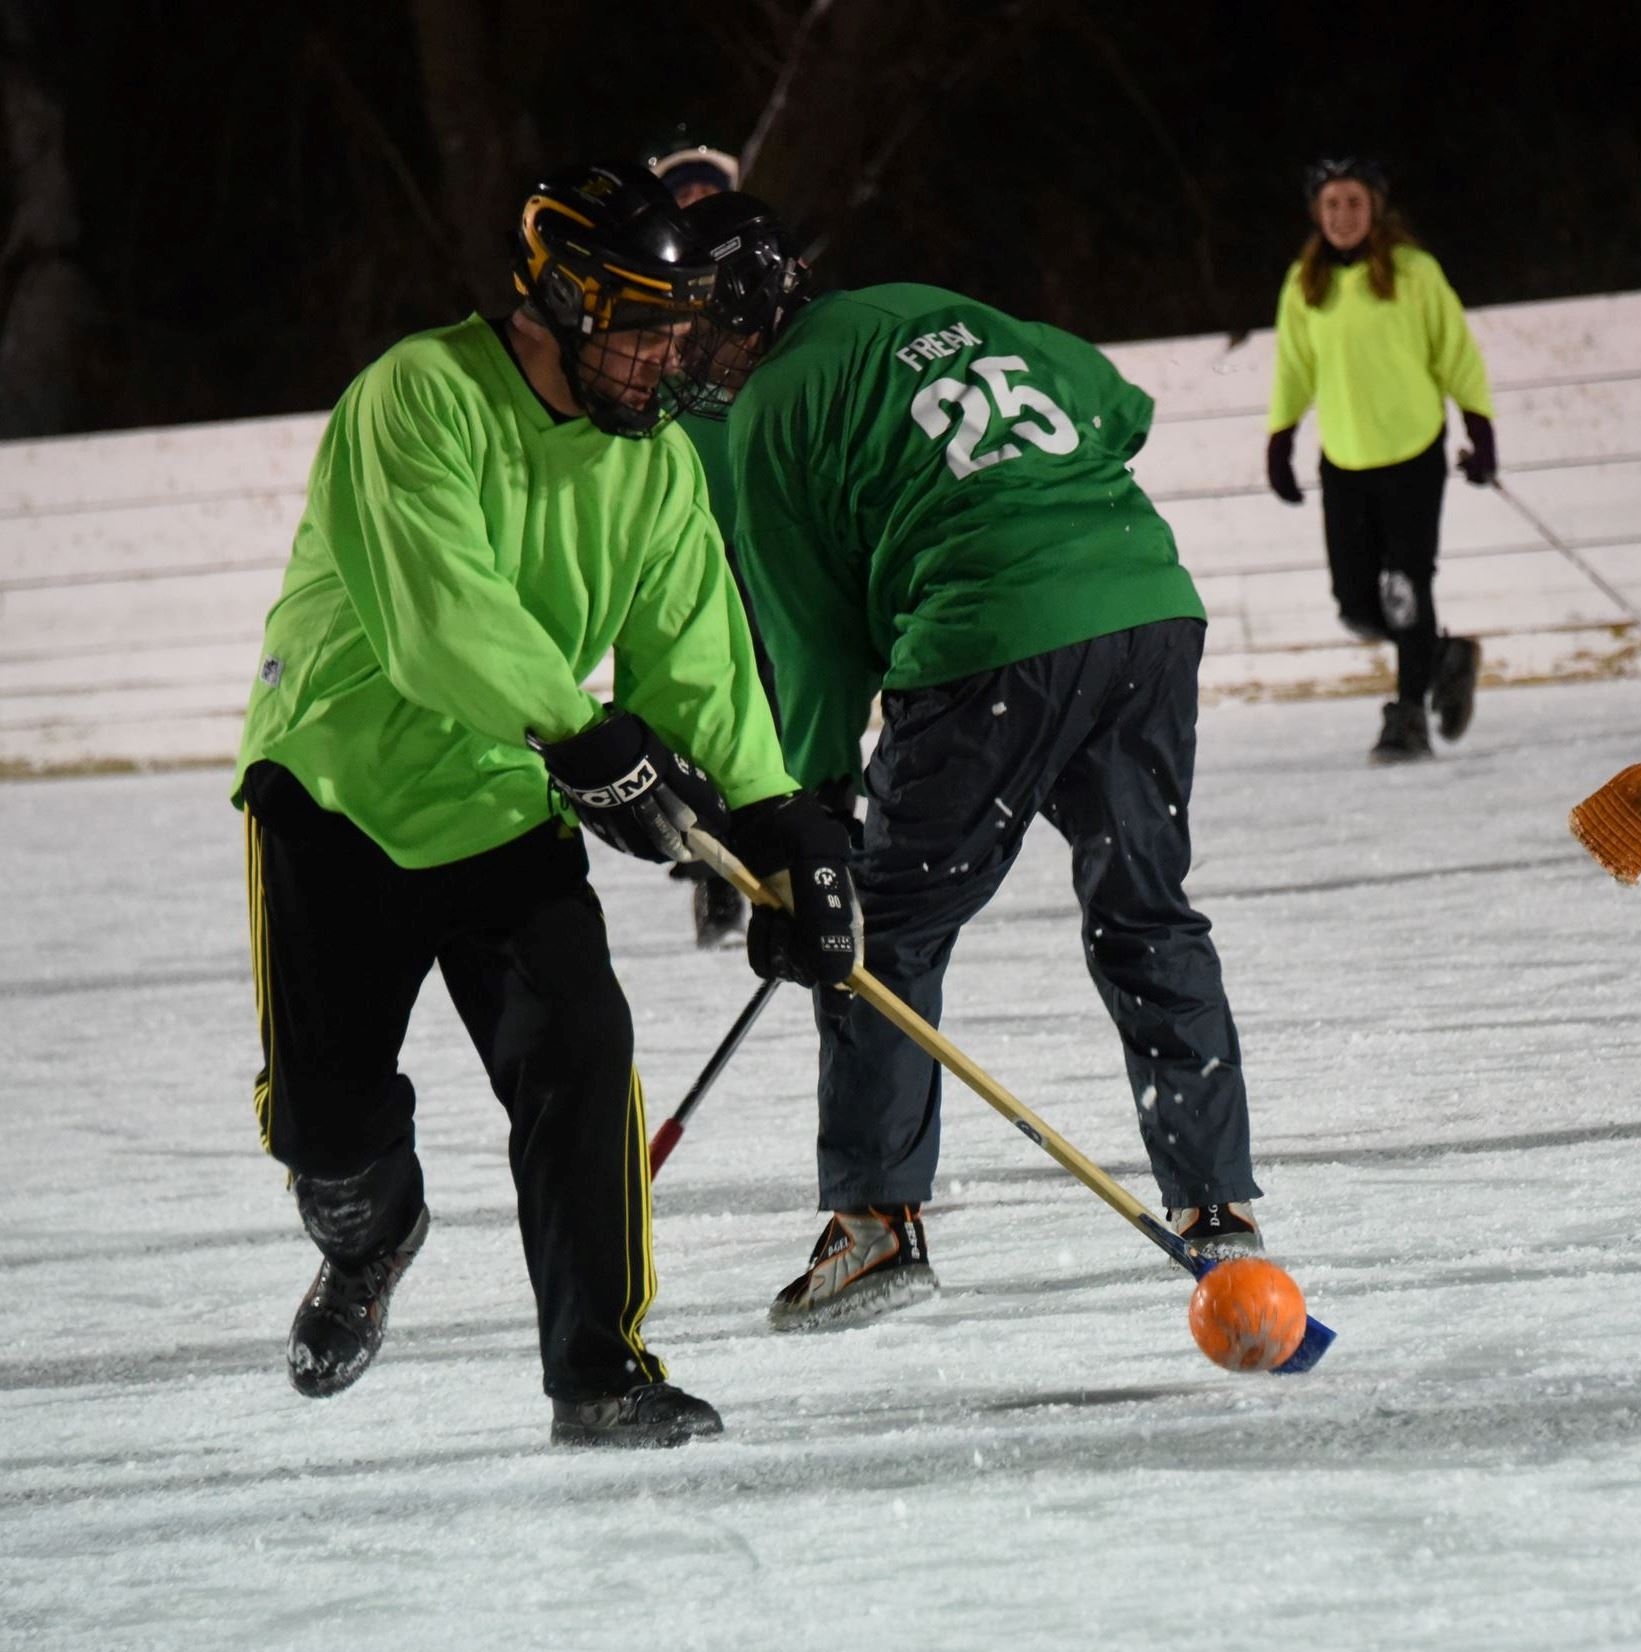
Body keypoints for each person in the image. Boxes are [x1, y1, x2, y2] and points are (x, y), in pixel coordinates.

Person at [233, 162, 855, 1445]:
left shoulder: (658, 463)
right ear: (561, 302)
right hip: (335, 786)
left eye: (681, 327)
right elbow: (436, 616)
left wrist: (774, 821)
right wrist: (586, 738)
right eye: (643, 324)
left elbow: (694, 657)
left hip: (506, 795)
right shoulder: (417, 396)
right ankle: (369, 1234)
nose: (667, 356)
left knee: (581, 1052)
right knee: (325, 1124)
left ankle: (600, 1370)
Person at [677, 194, 1265, 1330]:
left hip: (986, 641)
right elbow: (1117, 404)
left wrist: (809, 818)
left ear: (745, 311)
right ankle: (1217, 1203)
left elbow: (813, 642)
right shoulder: (927, 307)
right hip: (1147, 605)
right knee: (1144, 909)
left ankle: (873, 1221)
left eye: (693, 324)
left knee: (879, 934)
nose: (679, 352)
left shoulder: (767, 411)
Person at [1265, 155, 1496, 764]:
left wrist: (1479, 427)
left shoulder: (1413, 273)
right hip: (1344, 459)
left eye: (1354, 203)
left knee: (1406, 590)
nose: (1343, 216)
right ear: (1317, 212)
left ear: (1375, 208)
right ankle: (1444, 657)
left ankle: (1407, 715)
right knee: (1357, 604)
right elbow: (1294, 367)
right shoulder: (1304, 284)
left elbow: (1456, 352)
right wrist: (1281, 438)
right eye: (1332, 204)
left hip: (1413, 455)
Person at [646, 136, 757, 947]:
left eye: (705, 192)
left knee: (766, 704)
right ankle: (714, 863)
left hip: (754, 534)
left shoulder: (752, 302)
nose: (693, 203)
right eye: (680, 193)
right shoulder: (652, 306)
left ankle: (775, 847)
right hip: (687, 540)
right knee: (693, 702)